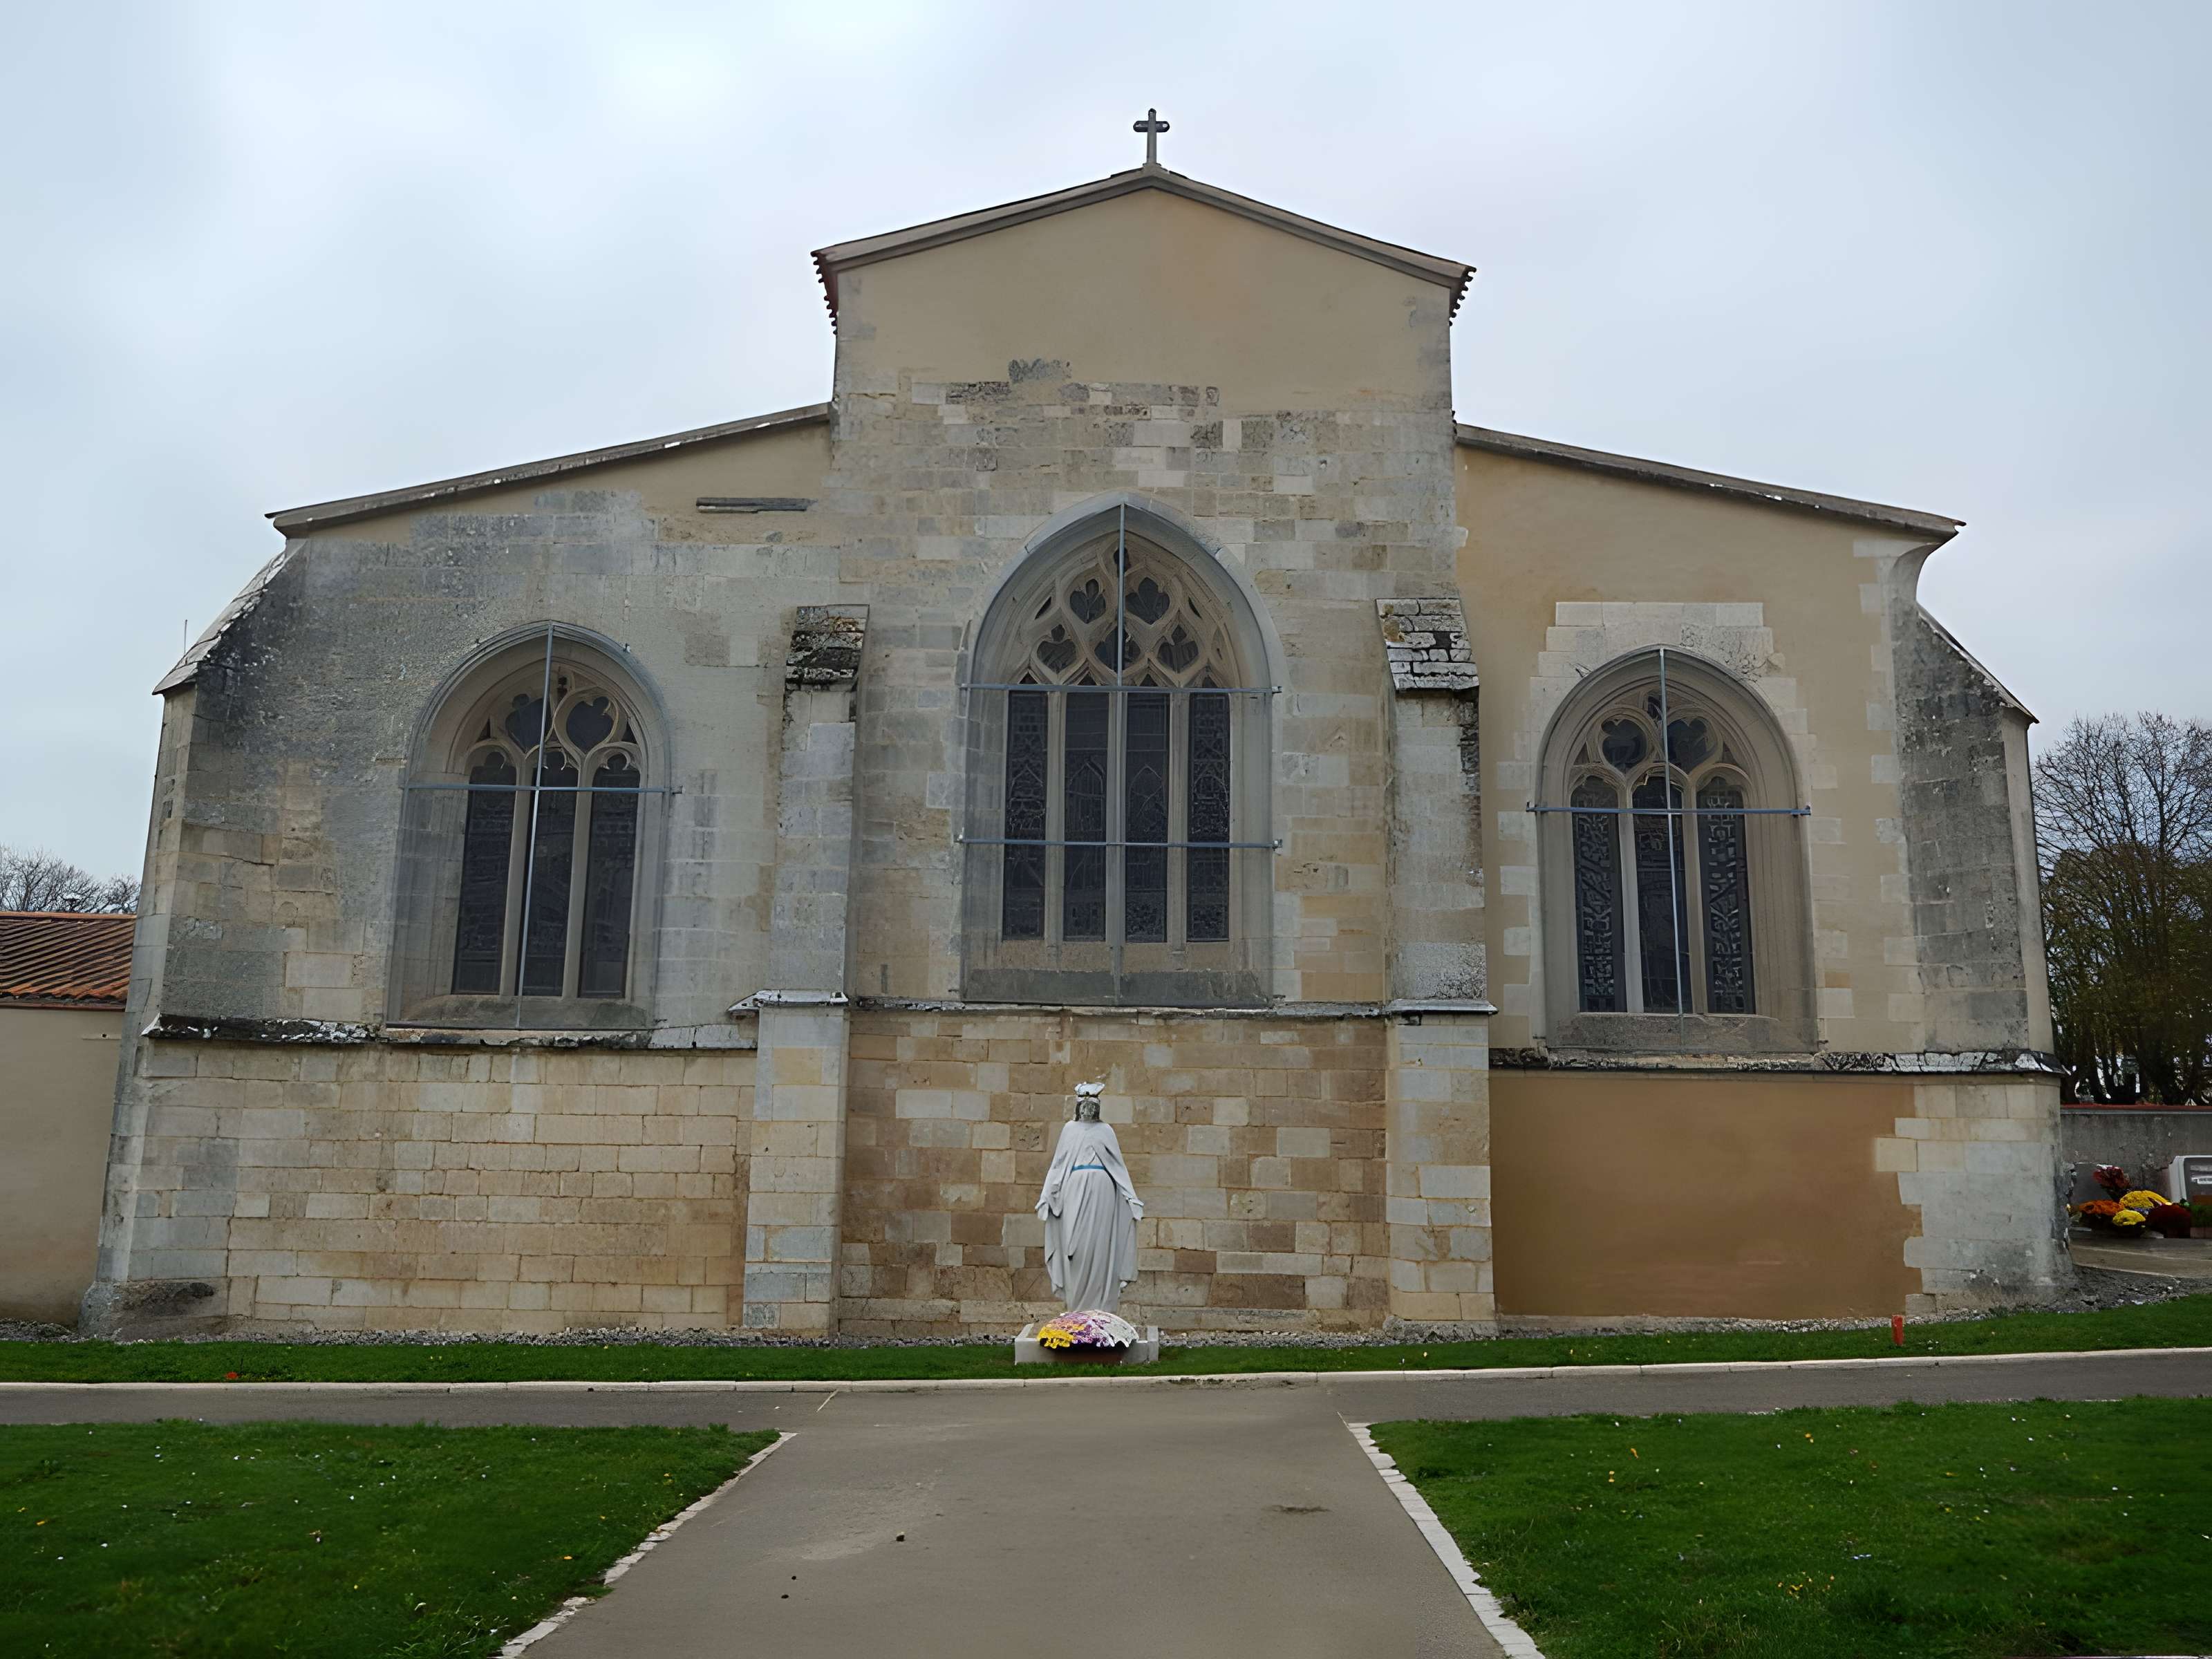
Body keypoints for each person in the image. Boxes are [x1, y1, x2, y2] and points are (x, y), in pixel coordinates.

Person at [1034, 1081, 1143, 1314]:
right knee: (1075, 1246)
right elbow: (1058, 1166)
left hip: (1103, 1191)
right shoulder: (1069, 1130)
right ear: (1078, 1107)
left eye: (1092, 1106)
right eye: (1084, 1105)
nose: (1088, 1110)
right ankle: (1076, 1308)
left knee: (1100, 1245)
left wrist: (1131, 1197)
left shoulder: (1106, 1131)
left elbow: (1118, 1168)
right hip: (1074, 1189)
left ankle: (1101, 1309)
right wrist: (1047, 1195)